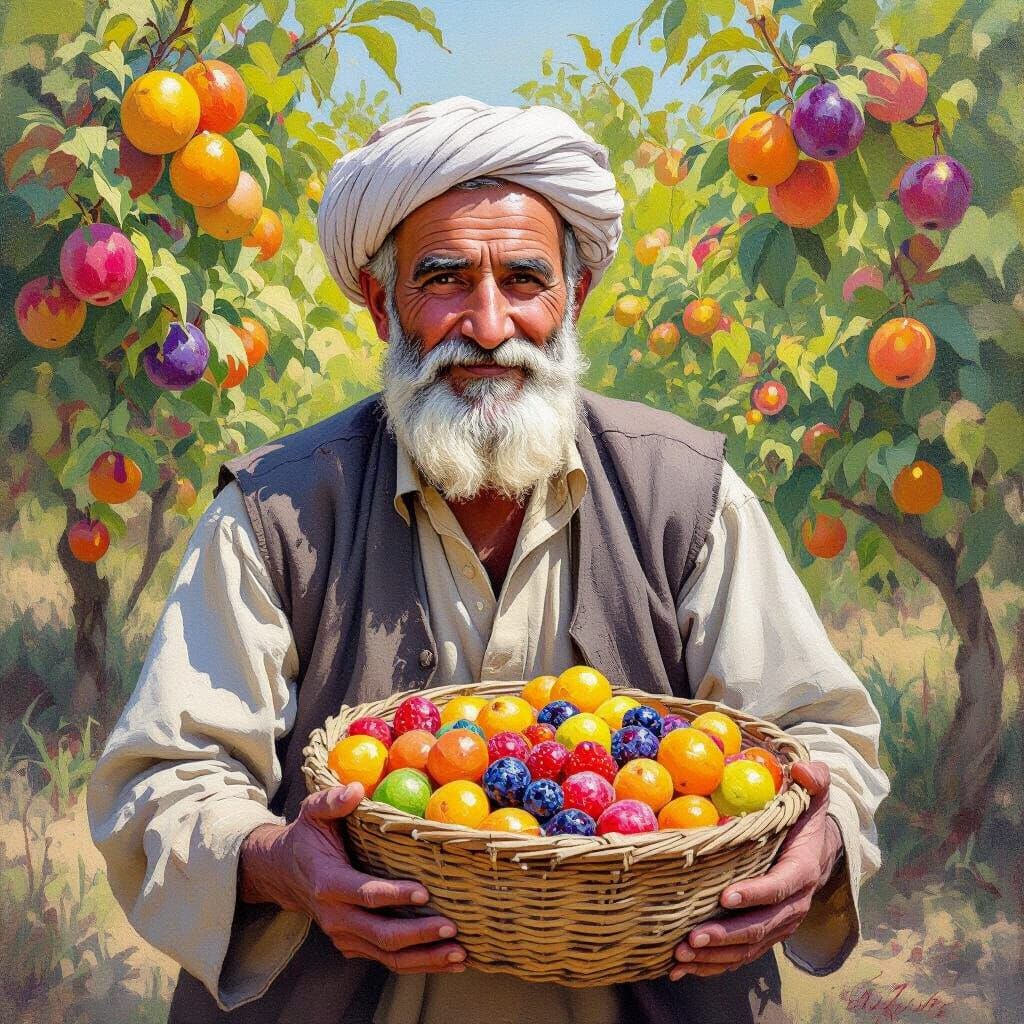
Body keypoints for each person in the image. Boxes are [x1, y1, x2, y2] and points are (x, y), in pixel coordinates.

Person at [88, 96, 889, 1024]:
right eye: (443, 280)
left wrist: (820, 840)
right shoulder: (275, 512)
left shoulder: (686, 495)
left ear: (574, 297)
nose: (489, 321)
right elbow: (165, 781)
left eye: (523, 279)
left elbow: (821, 735)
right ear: (384, 302)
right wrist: (281, 865)